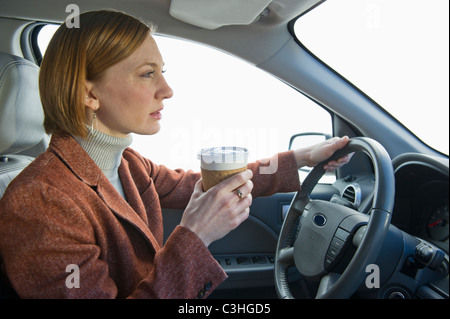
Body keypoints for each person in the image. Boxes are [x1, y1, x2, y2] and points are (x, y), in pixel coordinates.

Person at [0, 10, 352, 299]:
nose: (167, 90)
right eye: (147, 74)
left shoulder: (126, 165)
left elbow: (200, 183)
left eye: (162, 72)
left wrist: (302, 158)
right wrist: (196, 236)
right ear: (89, 94)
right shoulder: (38, 202)